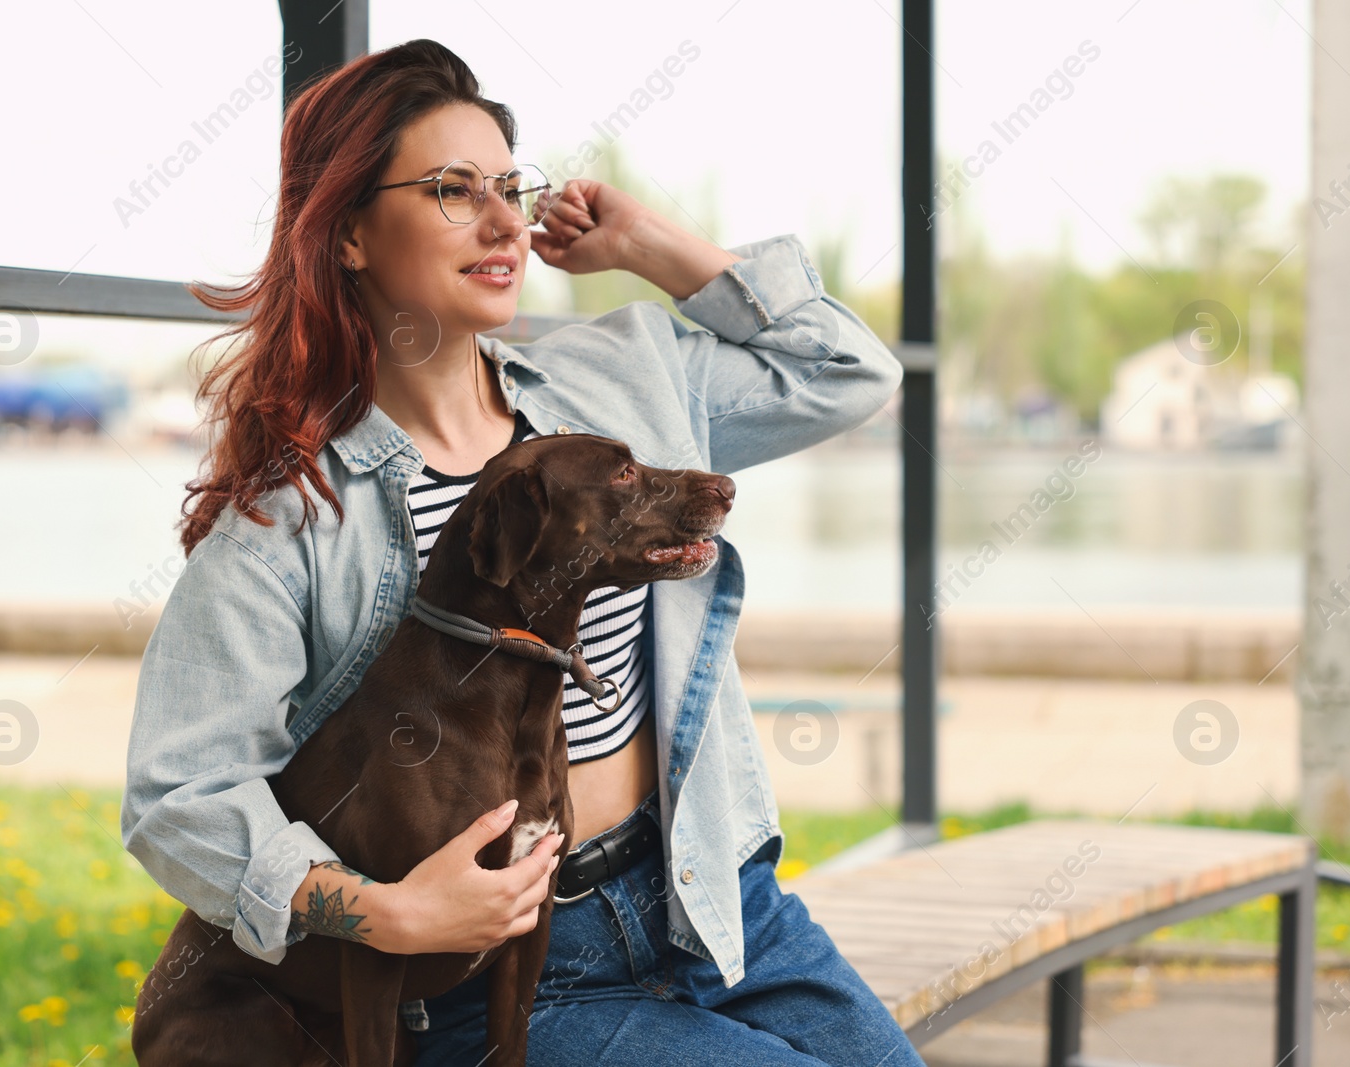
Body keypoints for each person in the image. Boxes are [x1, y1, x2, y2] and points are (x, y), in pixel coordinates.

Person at [120, 36, 925, 1067]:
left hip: (711, 896)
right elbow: (178, 791)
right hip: (502, 971)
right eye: (454, 190)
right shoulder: (293, 520)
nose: (504, 220)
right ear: (351, 233)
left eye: (511, 185)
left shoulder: (621, 381)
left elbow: (848, 371)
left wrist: (651, 244)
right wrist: (379, 912)